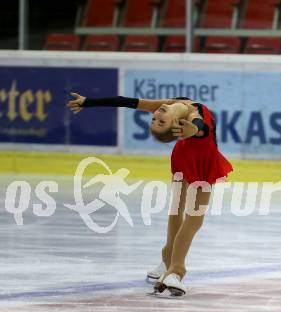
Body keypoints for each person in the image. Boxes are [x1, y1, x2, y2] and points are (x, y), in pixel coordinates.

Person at [68, 93, 233, 296]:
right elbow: (200, 125)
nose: (156, 115)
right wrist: (195, 129)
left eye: (155, 120)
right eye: (160, 121)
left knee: (178, 209)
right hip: (199, 160)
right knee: (193, 218)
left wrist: (90, 101)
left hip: (186, 156)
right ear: (176, 123)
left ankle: (167, 259)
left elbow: (128, 102)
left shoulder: (172, 104)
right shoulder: (190, 117)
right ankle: (176, 270)